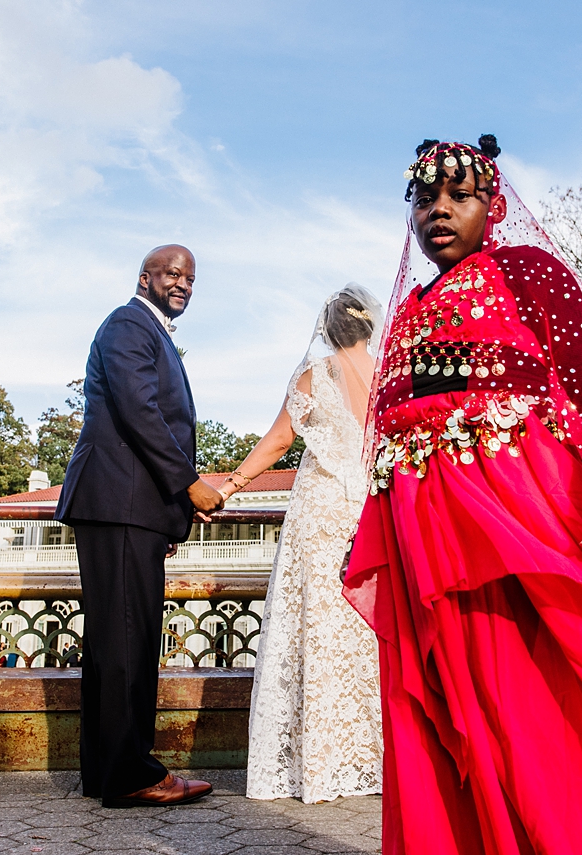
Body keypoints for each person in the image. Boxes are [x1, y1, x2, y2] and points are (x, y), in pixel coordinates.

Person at [342, 137, 582, 854]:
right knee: (449, 696)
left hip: (513, 511)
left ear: (493, 206)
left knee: (532, 687)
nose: (438, 209)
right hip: (426, 521)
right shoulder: (416, 303)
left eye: (459, 195)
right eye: (425, 197)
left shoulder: (527, 271)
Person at [55, 244, 226, 808]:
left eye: (191, 279)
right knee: (128, 641)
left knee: (115, 641)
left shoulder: (144, 328)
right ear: (144, 277)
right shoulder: (129, 324)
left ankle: (106, 772)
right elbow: (140, 412)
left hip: (127, 506)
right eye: (173, 274)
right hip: (119, 503)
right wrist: (189, 485)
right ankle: (132, 776)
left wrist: (168, 512)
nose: (183, 284)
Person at [220, 285, 386, 803]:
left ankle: (316, 759)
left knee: (313, 624)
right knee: (368, 627)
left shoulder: (315, 374)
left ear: (328, 329)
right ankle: (374, 754)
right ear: (368, 327)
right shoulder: (387, 377)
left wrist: (229, 485)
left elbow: (279, 441)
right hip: (369, 509)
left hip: (320, 512)